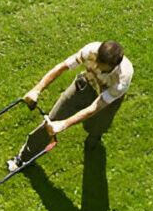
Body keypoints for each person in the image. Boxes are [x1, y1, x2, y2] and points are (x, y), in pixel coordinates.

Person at [8, 40, 133, 171]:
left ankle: (94, 137)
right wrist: (36, 90)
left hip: (106, 100)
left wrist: (64, 124)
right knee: (51, 122)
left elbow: (95, 106)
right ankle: (23, 157)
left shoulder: (122, 80)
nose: (98, 68)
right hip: (84, 85)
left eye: (103, 68)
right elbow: (62, 66)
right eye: (97, 63)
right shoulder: (90, 50)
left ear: (114, 65)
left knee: (97, 127)